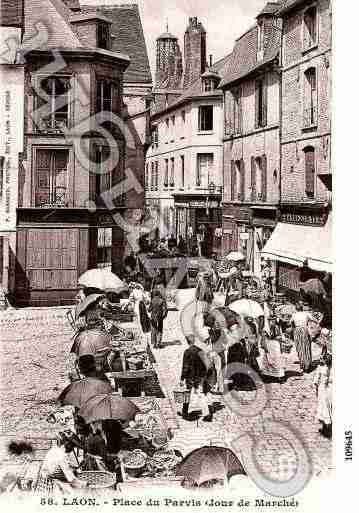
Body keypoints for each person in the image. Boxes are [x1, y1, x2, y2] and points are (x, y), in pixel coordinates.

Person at [179, 335, 213, 422]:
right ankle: (207, 413)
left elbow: (185, 367)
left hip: (190, 377)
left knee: (187, 394)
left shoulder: (187, 352)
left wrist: (182, 378)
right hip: (200, 377)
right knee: (201, 394)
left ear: (187, 342)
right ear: (194, 341)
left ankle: (185, 412)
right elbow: (207, 365)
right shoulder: (200, 351)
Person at [259, 315, 286, 383]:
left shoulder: (277, 327)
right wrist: (265, 346)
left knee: (277, 359)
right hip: (269, 344)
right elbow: (264, 338)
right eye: (270, 320)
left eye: (273, 320)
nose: (272, 321)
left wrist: (280, 338)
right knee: (268, 359)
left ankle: (279, 376)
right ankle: (268, 375)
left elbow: (280, 335)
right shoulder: (266, 329)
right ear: (268, 321)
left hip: (275, 345)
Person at [291, 302, 315, 374]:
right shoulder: (306, 314)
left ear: (296, 308)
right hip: (304, 330)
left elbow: (291, 323)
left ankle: (303, 365)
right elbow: (314, 320)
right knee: (306, 347)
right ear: (302, 308)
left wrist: (293, 330)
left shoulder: (294, 315)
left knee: (300, 348)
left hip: (297, 330)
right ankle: (308, 365)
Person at [313, 348, 332, 439]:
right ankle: (328, 427)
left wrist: (316, 384)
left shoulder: (321, 367)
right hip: (329, 388)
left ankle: (326, 428)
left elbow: (316, 379)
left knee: (324, 407)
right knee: (329, 407)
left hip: (323, 389)